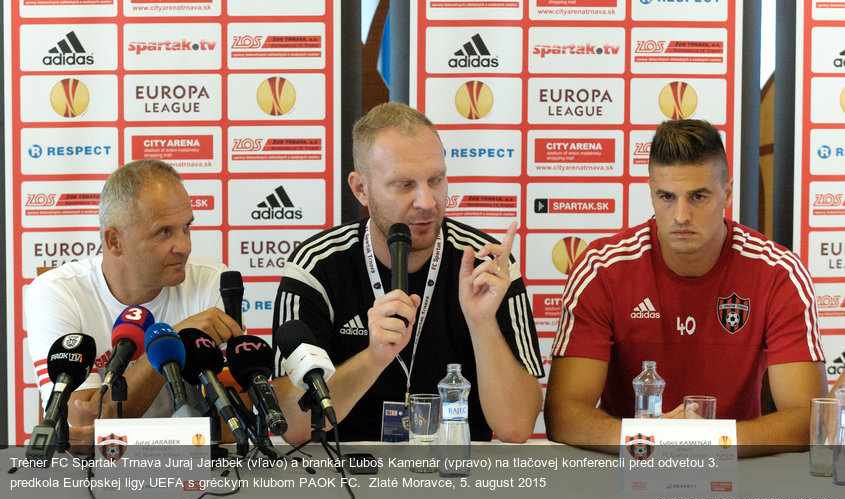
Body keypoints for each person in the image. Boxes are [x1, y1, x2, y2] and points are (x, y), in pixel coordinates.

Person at [544, 119, 828, 456]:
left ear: (727, 193)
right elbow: (563, 415)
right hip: (630, 468)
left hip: (736, 472)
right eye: (667, 196)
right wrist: (652, 440)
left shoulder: (779, 272)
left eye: (698, 196)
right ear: (651, 192)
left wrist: (704, 441)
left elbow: (807, 421)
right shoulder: (601, 268)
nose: (681, 215)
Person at [272, 102, 544, 443]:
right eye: (404, 185)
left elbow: (516, 428)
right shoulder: (315, 266)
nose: (427, 201)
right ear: (361, 189)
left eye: (436, 180)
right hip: (348, 480)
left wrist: (482, 323)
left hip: (456, 475)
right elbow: (293, 427)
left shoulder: (486, 264)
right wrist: (373, 358)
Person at [26, 159, 243, 440]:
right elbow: (82, 422)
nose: (185, 246)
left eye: (186, 227)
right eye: (164, 232)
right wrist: (170, 339)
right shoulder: (57, 292)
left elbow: (233, 423)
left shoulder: (212, 282)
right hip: (93, 475)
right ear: (115, 241)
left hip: (195, 468)